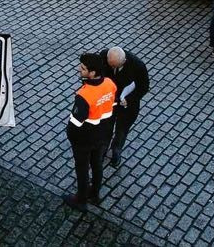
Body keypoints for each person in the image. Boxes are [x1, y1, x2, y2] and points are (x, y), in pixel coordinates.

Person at [63, 53, 117, 212]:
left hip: (84, 140)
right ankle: (95, 193)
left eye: (83, 69)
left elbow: (75, 123)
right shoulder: (109, 83)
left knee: (82, 169)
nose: (79, 70)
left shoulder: (84, 95)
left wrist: (71, 138)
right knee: (97, 164)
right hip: (103, 135)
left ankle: (81, 199)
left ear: (92, 73)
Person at [99, 46, 149, 168]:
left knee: (122, 130)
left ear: (124, 61)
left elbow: (143, 87)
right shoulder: (103, 56)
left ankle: (116, 151)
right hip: (109, 102)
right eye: (110, 65)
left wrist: (129, 99)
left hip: (127, 106)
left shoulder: (138, 66)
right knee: (106, 127)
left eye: (115, 66)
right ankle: (102, 150)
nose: (112, 68)